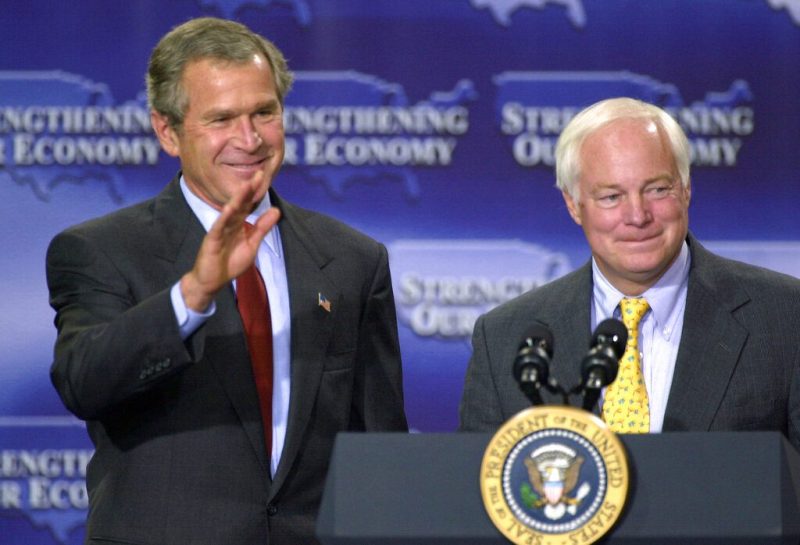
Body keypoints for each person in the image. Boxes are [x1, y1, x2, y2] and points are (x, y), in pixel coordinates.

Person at [46, 17, 407, 545]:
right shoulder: (101, 251)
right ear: (168, 132)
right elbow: (84, 381)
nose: (250, 139)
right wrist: (192, 294)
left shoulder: (353, 259)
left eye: (265, 112)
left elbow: (380, 449)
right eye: (221, 119)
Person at [459, 97, 800, 451]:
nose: (637, 216)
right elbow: (473, 492)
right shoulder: (503, 339)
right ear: (574, 205)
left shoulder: (786, 319)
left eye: (657, 189)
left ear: (685, 189)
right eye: (611, 196)